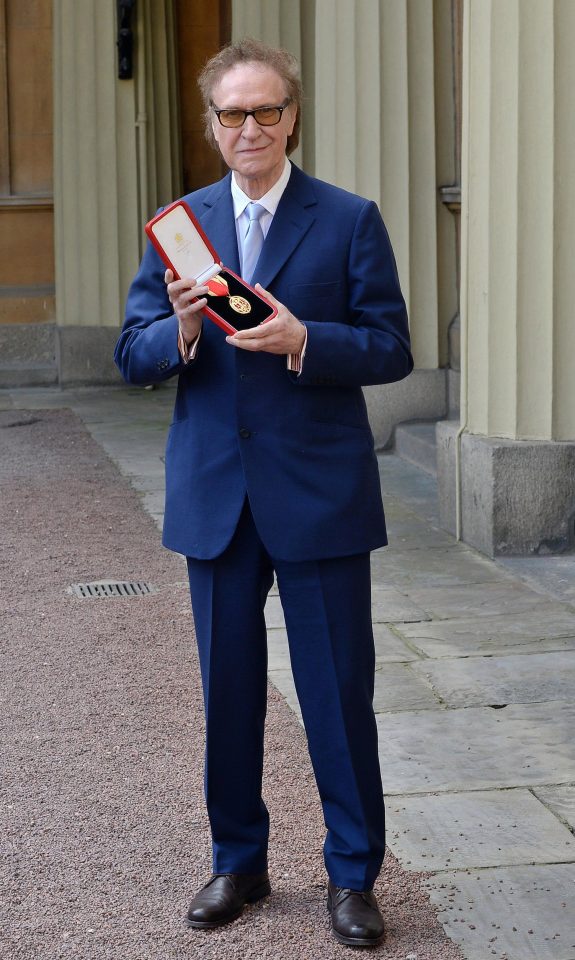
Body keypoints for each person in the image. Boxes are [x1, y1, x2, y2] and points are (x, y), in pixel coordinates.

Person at [114, 38, 412, 948]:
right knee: (228, 694)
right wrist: (181, 330)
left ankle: (353, 876)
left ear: (291, 117)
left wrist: (300, 339)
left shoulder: (348, 218)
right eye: (232, 113)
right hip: (215, 498)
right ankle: (238, 862)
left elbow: (391, 347)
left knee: (336, 696)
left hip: (318, 495)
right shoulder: (180, 225)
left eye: (266, 110)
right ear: (211, 126)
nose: (250, 127)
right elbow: (130, 356)